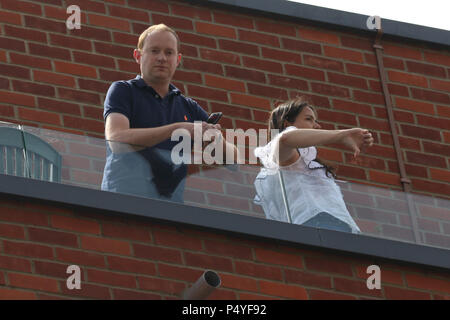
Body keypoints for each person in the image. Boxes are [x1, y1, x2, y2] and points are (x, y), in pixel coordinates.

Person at [101, 24, 233, 202]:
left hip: (170, 209)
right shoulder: (123, 90)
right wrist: (177, 129)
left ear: (178, 60)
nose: (162, 58)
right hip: (123, 201)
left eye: (169, 53)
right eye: (154, 51)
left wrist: (215, 138)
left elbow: (233, 160)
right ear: (138, 56)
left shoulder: (188, 107)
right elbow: (116, 140)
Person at [253, 98, 374, 233]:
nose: (317, 126)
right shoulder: (281, 155)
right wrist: (342, 135)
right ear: (287, 123)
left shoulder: (306, 160)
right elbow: (285, 139)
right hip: (314, 224)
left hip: (335, 227)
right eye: (309, 119)